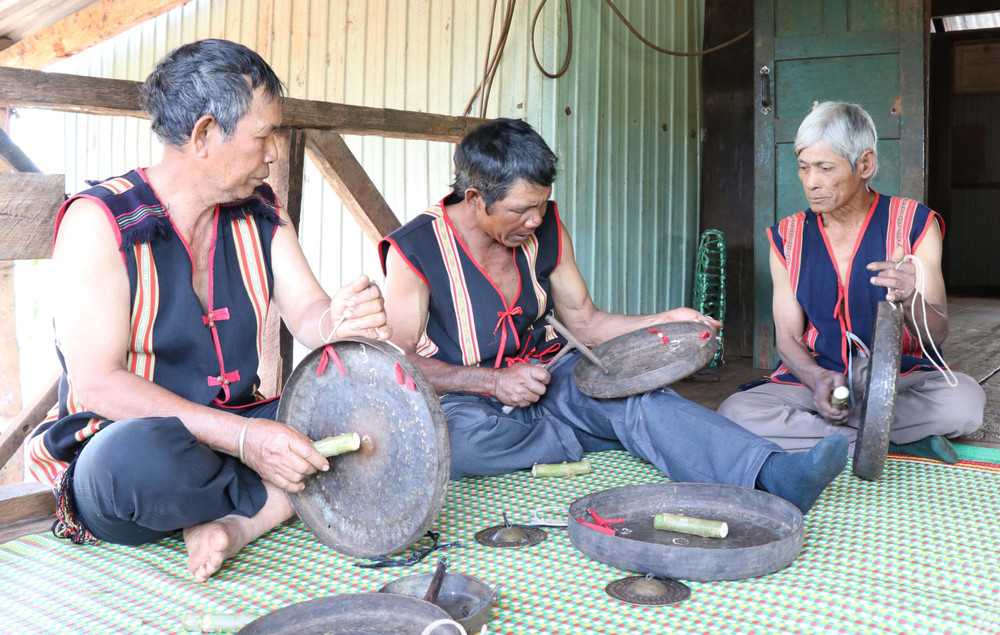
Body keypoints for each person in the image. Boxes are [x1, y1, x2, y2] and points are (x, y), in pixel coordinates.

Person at [25, 39, 390, 582]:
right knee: (131, 462)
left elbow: (308, 310)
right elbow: (98, 384)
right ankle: (278, 493)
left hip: (238, 431)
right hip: (128, 440)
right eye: (264, 136)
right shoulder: (99, 221)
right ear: (204, 135)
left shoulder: (262, 214)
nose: (273, 154)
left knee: (366, 413)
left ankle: (232, 525)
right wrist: (246, 442)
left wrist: (335, 322)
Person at [380, 118, 849, 516]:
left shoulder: (544, 226)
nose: (534, 219)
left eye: (542, 204)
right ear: (476, 198)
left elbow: (584, 322)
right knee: (455, 445)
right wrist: (492, 383)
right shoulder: (416, 248)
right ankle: (596, 431)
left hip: (548, 376)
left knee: (636, 396)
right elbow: (396, 363)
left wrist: (667, 318)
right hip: (466, 399)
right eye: (522, 209)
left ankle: (773, 473)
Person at [718, 102, 984, 460]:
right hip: (818, 377)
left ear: (865, 165)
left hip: (897, 381)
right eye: (804, 168)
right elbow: (788, 337)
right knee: (735, 413)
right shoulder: (787, 236)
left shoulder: (914, 224)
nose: (811, 183)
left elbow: (935, 335)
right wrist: (815, 379)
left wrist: (909, 298)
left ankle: (832, 441)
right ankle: (892, 441)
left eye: (825, 168)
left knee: (964, 403)